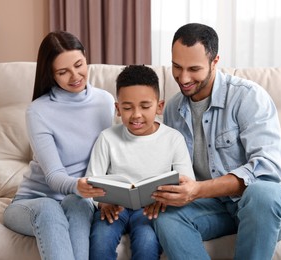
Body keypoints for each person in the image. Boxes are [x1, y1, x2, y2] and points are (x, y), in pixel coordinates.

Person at [151, 23, 281, 260]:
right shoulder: (173, 109)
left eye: (194, 69)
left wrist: (198, 190)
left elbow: (268, 168)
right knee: (167, 217)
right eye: (177, 67)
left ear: (215, 61)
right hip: (217, 206)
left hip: (267, 204)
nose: (184, 77)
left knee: (261, 194)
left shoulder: (248, 97)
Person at [3, 31, 114, 260]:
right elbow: (54, 177)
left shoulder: (105, 101)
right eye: (63, 72)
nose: (75, 76)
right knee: (49, 208)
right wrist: (81, 185)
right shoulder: (38, 111)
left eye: (79, 65)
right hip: (32, 202)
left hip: (80, 199)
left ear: (85, 57)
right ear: (51, 74)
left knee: (79, 204)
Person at [80, 65, 195, 260]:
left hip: (151, 210)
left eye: (145, 106)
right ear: (117, 109)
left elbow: (187, 182)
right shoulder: (107, 138)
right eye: (127, 107)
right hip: (114, 208)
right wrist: (102, 203)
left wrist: (165, 200)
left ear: (159, 106)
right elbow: (91, 183)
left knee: (147, 242)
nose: (136, 115)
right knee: (100, 240)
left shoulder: (173, 139)